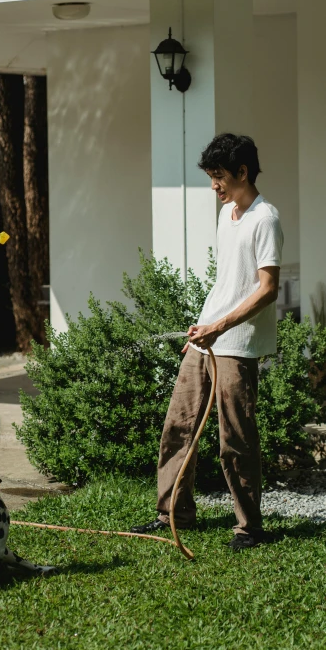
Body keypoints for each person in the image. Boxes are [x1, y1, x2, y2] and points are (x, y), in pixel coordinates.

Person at [131, 133, 284, 550]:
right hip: (208, 340)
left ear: (242, 172)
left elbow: (268, 288)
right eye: (211, 178)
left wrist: (222, 328)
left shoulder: (264, 218)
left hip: (238, 345)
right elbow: (226, 284)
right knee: (178, 427)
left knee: (235, 439)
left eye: (219, 177)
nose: (214, 186)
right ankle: (173, 513)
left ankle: (249, 527)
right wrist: (203, 330)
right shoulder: (228, 214)